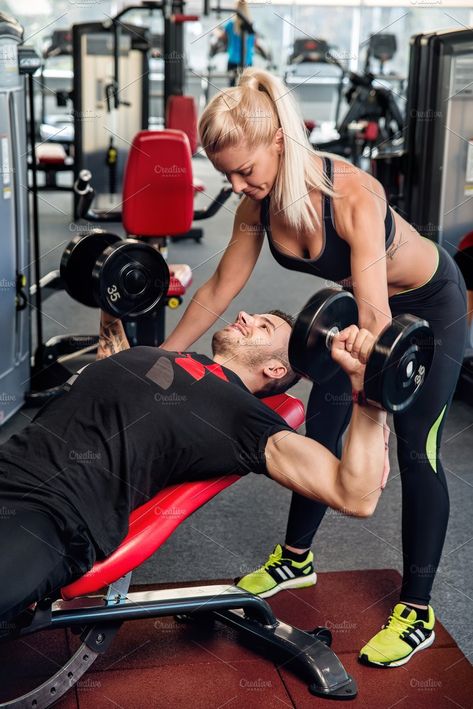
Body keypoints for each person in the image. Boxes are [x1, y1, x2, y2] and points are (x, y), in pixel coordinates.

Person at [160, 67, 468, 667]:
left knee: (414, 448)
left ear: (279, 141)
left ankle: (418, 609)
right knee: (320, 426)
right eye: (225, 173)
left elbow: (379, 314)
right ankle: (296, 558)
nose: (236, 184)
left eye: (245, 169)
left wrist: (372, 416)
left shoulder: (353, 195)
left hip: (425, 309)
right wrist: (163, 360)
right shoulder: (257, 201)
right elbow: (221, 287)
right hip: (356, 308)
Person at [0, 308, 387, 624]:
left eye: (262, 326)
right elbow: (111, 362)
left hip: (54, 516)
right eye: (255, 315)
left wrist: (369, 391)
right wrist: (113, 298)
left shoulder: (245, 418)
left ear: (274, 370)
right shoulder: (165, 357)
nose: (245, 315)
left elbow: (357, 495)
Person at [217, 0, 256, 86]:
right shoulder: (251, 26)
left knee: (232, 90)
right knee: (246, 89)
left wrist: (215, 31)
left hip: (233, 61)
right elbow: (254, 42)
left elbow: (221, 37)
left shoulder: (230, 25)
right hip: (247, 62)